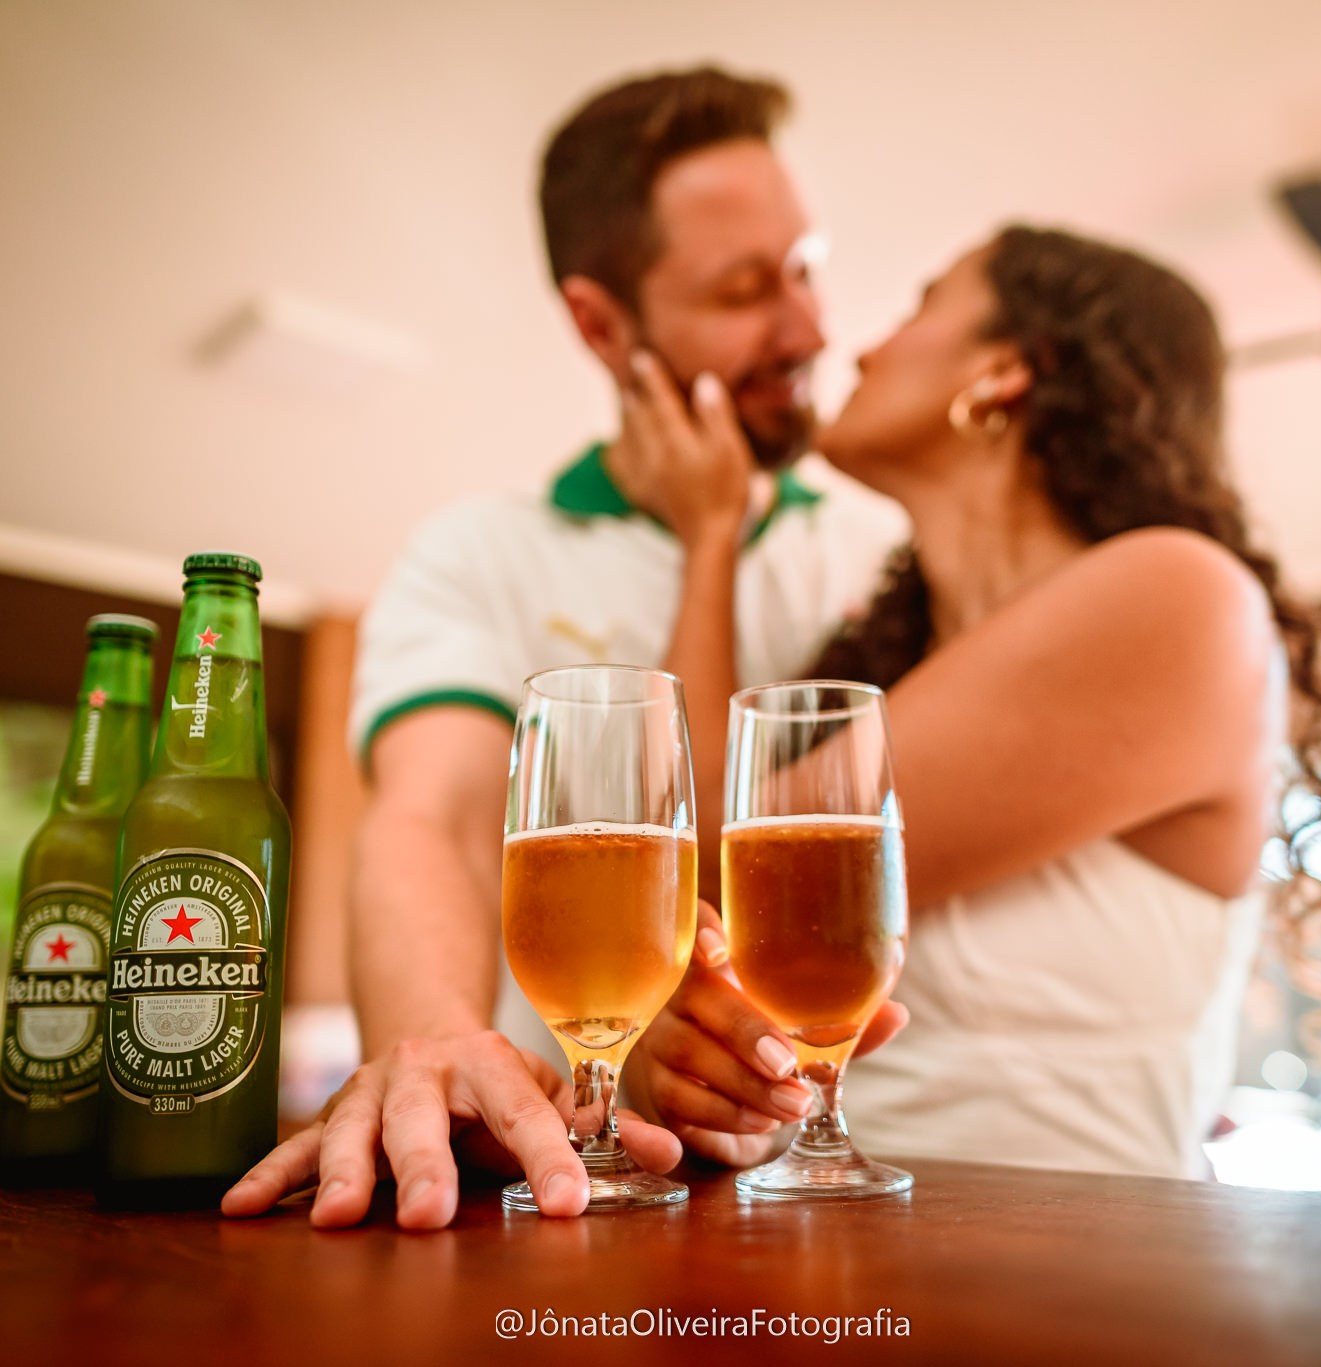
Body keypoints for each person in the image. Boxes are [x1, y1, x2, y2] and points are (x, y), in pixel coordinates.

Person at [220, 67, 907, 1229]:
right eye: (746, 288)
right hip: (589, 1201)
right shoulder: (478, 552)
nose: (808, 327)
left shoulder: (881, 542)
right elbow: (427, 816)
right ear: (600, 322)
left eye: (804, 265)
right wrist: (434, 1033)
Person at [624, 225, 1321, 1177]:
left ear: (1007, 371)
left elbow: (709, 869)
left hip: (1080, 1280)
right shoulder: (902, 674)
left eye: (919, 307)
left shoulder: (1178, 596)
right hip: (841, 1261)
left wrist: (709, 533)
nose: (860, 348)